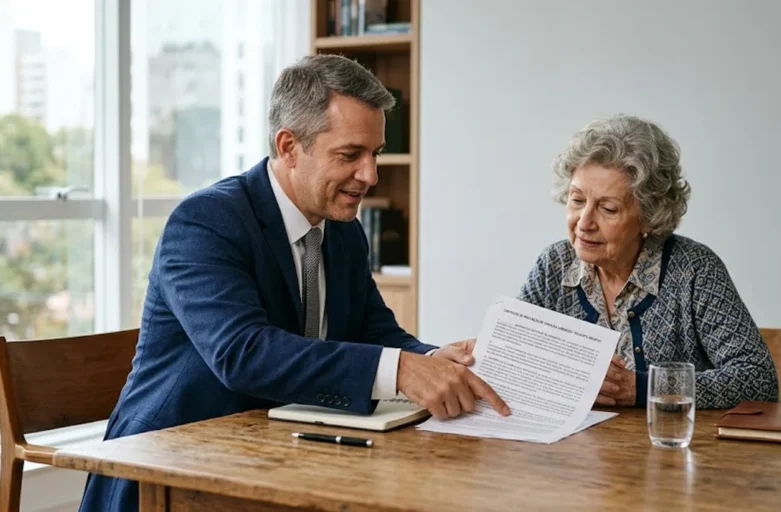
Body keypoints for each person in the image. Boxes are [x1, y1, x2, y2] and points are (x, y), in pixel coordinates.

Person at [79, 54, 509, 512]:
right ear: (288, 147)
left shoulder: (343, 230)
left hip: (281, 458)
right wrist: (401, 370)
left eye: (375, 153)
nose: (370, 175)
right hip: (167, 470)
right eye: (350, 155)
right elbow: (243, 353)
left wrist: (428, 359)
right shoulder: (206, 221)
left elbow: (373, 331)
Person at [519, 114, 778, 410]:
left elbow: (758, 380)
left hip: (672, 449)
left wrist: (643, 388)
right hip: (574, 450)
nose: (584, 223)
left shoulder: (695, 270)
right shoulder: (554, 264)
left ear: (648, 216)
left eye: (608, 208)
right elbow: (514, 357)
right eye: (577, 200)